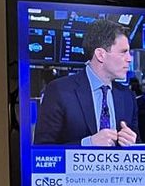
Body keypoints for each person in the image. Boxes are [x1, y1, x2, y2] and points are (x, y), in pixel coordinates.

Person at [32, 16, 139, 146]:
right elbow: (43, 149)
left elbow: (139, 147)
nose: (129, 59)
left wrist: (133, 144)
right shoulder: (59, 91)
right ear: (100, 55)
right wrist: (88, 144)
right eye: (123, 52)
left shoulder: (127, 96)